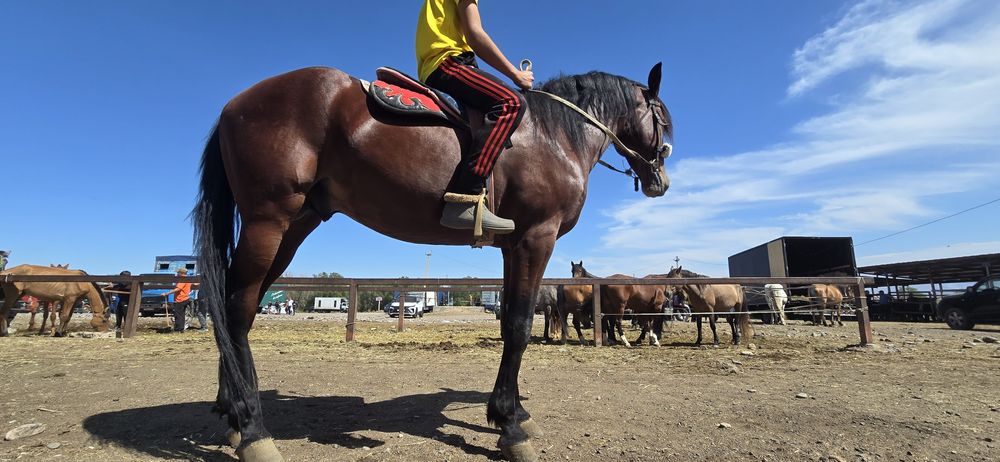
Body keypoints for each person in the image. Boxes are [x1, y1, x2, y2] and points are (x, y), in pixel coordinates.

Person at [416, 0, 533, 234]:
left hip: (437, 64)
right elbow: (474, 33)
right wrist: (515, 75)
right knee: (511, 102)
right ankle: (465, 198)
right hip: (448, 62)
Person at [162, 267, 195, 332]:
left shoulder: (182, 280)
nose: (177, 274)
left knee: (178, 315)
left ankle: (178, 329)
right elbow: (194, 284)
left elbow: (178, 289)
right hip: (186, 298)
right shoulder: (189, 279)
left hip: (180, 299)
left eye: (178, 273)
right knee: (182, 315)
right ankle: (181, 328)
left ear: (181, 273)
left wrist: (167, 293)